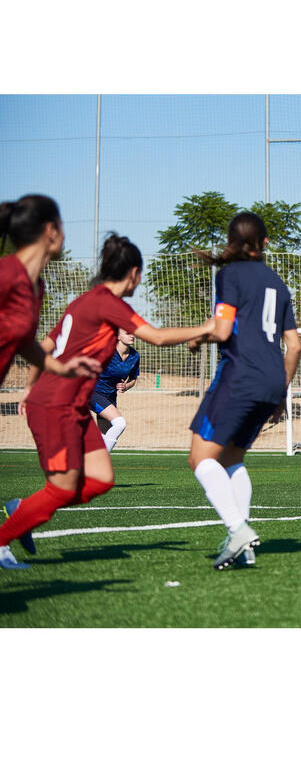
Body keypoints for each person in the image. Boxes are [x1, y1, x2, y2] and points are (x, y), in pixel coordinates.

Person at [0, 233, 214, 571]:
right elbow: (156, 337)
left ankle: (23, 509)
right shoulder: (108, 304)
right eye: (140, 275)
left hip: (75, 405)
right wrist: (206, 327)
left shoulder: (83, 302)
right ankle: (3, 539)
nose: (139, 281)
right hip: (56, 404)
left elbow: (45, 345)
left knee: (100, 479)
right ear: (132, 273)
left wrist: (28, 387)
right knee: (62, 487)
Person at [187, 211, 301, 570]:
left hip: (240, 375)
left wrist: (197, 335)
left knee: (200, 458)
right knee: (232, 459)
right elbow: (294, 346)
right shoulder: (278, 283)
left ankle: (238, 530)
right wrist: (281, 391)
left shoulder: (230, 275)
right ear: (265, 243)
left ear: (232, 243)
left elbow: (222, 331)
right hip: (271, 380)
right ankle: (245, 547)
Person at [0, 194, 101, 387]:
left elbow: (25, 344)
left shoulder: (37, 287)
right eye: (62, 227)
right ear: (51, 230)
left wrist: (62, 368)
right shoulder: (5, 275)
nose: (64, 235)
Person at [89, 328, 140, 451]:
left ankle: (89, 465)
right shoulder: (105, 351)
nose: (131, 334)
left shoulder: (135, 356)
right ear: (118, 336)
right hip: (92, 393)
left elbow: (133, 379)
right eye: (127, 332)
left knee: (104, 437)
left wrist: (125, 386)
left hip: (110, 397)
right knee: (120, 423)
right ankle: (101, 461)